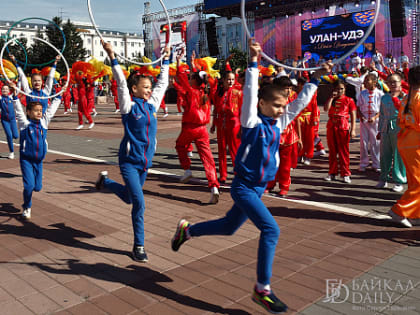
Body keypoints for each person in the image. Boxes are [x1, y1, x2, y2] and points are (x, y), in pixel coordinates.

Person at [171, 39, 331, 314]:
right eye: (277, 104)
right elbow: (250, 89)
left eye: (284, 105)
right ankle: (262, 289)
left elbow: (300, 103)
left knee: (228, 227)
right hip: (244, 187)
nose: (283, 109)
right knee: (271, 230)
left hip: (257, 189)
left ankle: (188, 230)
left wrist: (315, 78)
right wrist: (254, 61)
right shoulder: (251, 121)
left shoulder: (279, 122)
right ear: (262, 103)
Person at [96, 41, 170, 262]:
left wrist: (166, 59)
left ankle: (105, 184)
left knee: (129, 198)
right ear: (135, 89)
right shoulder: (129, 106)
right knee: (139, 203)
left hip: (145, 163)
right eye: (145, 87)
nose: (149, 90)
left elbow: (163, 83)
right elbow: (119, 82)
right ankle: (138, 245)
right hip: (128, 162)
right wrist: (112, 56)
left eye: (150, 87)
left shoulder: (152, 106)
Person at [10, 82, 63, 219]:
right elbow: (19, 111)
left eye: (41, 110)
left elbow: (51, 110)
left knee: (37, 187)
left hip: (39, 161)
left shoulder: (44, 123)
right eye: (36, 110)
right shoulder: (24, 124)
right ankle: (27, 206)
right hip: (26, 160)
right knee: (29, 186)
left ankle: (29, 198)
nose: (40, 112)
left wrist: (59, 96)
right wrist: (15, 98)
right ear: (29, 112)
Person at [174, 50, 220, 204]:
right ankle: (214, 186)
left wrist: (179, 61)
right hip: (203, 130)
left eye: (191, 77)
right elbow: (204, 78)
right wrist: (194, 65)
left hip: (190, 128)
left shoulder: (191, 91)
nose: (189, 78)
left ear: (194, 80)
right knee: (207, 159)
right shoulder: (207, 91)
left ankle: (187, 169)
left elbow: (181, 77)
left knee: (180, 146)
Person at [388, 66, 420, 228]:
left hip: (406, 140)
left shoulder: (407, 97)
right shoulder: (418, 97)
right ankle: (400, 210)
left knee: (415, 182)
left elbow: (401, 120)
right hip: (416, 143)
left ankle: (414, 214)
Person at [210, 71, 243, 184]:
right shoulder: (218, 93)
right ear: (223, 80)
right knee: (221, 150)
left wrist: (242, 127)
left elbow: (242, 111)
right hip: (221, 124)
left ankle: (238, 173)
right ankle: (223, 175)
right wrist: (213, 124)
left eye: (232, 79)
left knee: (235, 151)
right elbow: (215, 110)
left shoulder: (238, 93)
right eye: (228, 79)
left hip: (234, 124)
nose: (230, 81)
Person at [376, 74, 407, 192]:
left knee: (398, 155)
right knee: (384, 154)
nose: (393, 84)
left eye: (395, 82)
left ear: (401, 82)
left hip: (399, 129)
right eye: (390, 82)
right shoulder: (384, 98)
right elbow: (382, 115)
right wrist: (380, 130)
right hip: (385, 129)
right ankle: (383, 178)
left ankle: (399, 180)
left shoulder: (405, 97)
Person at [324, 80, 357, 183]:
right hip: (331, 126)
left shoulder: (349, 100)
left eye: (341, 89)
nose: (339, 91)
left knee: (343, 152)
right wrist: (331, 98)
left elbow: (353, 114)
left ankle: (345, 173)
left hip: (343, 126)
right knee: (332, 151)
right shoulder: (332, 99)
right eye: (337, 89)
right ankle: (332, 172)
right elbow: (326, 109)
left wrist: (353, 129)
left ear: (345, 89)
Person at [357, 73, 384, 172]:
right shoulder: (362, 93)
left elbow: (383, 109)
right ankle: (363, 163)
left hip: (375, 121)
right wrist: (362, 117)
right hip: (364, 121)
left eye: (367, 80)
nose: (365, 82)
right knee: (363, 143)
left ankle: (376, 164)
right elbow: (358, 107)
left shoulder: (380, 94)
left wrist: (375, 117)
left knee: (375, 143)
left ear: (374, 82)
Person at [0, 84, 18, 159]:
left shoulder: (11, 97)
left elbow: (15, 95)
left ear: (9, 90)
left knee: (16, 136)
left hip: (13, 120)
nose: (5, 90)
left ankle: (14, 136)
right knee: (9, 136)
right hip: (5, 121)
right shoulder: (0, 99)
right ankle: (11, 152)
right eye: (3, 89)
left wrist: (14, 89)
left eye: (6, 89)